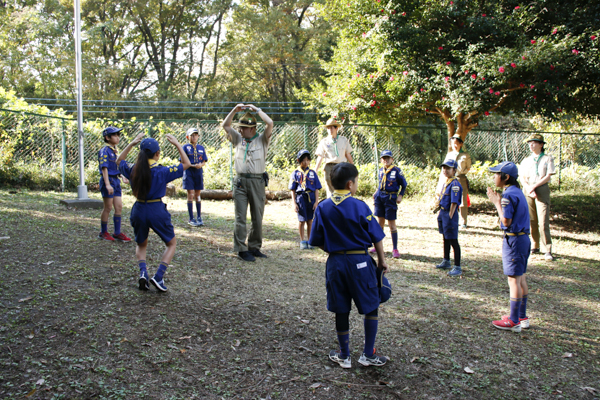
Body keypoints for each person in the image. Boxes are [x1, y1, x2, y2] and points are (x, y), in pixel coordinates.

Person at [308, 163, 390, 368]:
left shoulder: (323, 207)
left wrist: (333, 250)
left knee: (341, 308)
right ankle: (368, 354)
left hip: (335, 263)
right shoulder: (360, 205)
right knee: (371, 305)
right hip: (360, 261)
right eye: (356, 182)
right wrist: (382, 260)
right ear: (350, 183)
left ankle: (344, 355)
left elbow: (315, 239)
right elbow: (376, 236)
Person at [117, 134, 192, 292]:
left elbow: (119, 161)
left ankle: (143, 272)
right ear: (157, 154)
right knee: (171, 243)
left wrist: (131, 142)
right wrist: (178, 144)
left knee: (141, 243)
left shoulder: (133, 170)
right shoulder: (162, 171)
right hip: (156, 209)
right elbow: (187, 163)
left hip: (138, 209)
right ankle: (158, 276)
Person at [222, 104, 274, 262]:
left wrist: (257, 110)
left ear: (252, 129)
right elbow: (226, 125)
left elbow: (270, 123)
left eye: (244, 128)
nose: (240, 130)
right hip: (240, 182)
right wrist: (234, 110)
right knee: (240, 217)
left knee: (257, 217)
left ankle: (254, 246)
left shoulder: (262, 140)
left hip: (257, 182)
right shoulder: (238, 139)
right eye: (240, 127)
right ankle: (241, 249)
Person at [486, 161, 531, 332]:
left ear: (505, 177)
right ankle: (521, 316)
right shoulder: (516, 191)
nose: (494, 177)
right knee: (521, 279)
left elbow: (506, 221)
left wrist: (496, 202)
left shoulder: (507, 196)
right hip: (523, 240)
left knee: (513, 281)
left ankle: (513, 321)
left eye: (497, 174)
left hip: (514, 241)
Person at [519, 134, 556, 261]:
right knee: (531, 219)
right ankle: (535, 245)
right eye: (530, 143)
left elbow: (548, 176)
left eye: (535, 142)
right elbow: (522, 177)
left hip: (541, 188)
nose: (531, 145)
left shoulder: (547, 158)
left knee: (543, 220)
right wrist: (529, 188)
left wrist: (534, 186)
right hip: (528, 189)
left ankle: (547, 249)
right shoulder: (526, 160)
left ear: (541, 145)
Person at [369, 150, 407, 259]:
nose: (385, 160)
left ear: (392, 159)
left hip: (390, 198)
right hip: (380, 197)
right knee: (380, 223)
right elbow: (381, 183)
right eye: (383, 158)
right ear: (381, 160)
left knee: (391, 224)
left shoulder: (396, 171)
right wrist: (376, 193)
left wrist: (400, 196)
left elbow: (404, 184)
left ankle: (395, 248)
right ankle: (378, 246)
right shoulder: (381, 170)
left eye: (388, 158)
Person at [98, 126, 132, 243]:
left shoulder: (114, 151)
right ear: (107, 137)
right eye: (115, 135)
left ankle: (117, 232)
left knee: (119, 207)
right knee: (107, 207)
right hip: (109, 181)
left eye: (118, 135)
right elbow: (105, 168)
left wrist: (122, 176)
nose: (118, 138)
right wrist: (107, 184)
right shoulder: (105, 151)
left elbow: (116, 167)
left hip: (116, 181)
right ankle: (103, 232)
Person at [434, 159, 463, 277]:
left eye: (448, 168)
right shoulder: (447, 182)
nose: (445, 170)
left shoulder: (455, 185)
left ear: (454, 170)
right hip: (443, 213)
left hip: (449, 214)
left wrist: (450, 218)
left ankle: (457, 266)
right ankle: (446, 260)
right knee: (445, 237)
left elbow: (454, 203)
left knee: (453, 240)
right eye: (443, 168)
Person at [289, 149, 322, 249]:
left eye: (308, 159)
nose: (306, 162)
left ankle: (310, 240)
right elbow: (292, 189)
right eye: (303, 159)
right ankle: (302, 240)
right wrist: (294, 203)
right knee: (301, 220)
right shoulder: (295, 173)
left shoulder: (312, 173)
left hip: (310, 198)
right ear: (299, 160)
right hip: (300, 198)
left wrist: (316, 201)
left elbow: (316, 188)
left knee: (310, 220)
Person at [437, 134, 471, 228]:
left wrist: (461, 172)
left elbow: (468, 167)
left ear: (461, 143)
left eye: (456, 143)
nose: (454, 146)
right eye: (453, 144)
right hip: (449, 179)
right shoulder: (450, 154)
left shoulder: (465, 155)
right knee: (448, 198)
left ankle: (463, 222)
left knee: (463, 200)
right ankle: (449, 218)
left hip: (461, 178)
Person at [314, 118, 354, 198]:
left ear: (336, 128)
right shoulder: (324, 141)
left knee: (343, 188)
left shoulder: (343, 140)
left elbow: (348, 154)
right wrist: (316, 170)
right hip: (329, 168)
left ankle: (342, 207)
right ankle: (332, 207)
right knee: (331, 191)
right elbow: (320, 156)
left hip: (342, 167)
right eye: (328, 128)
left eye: (332, 127)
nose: (330, 130)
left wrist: (353, 167)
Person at [182, 127, 208, 227]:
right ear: (187, 136)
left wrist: (200, 165)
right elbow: (182, 161)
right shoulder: (185, 147)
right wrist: (192, 165)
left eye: (196, 135)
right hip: (189, 172)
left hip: (198, 172)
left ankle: (199, 216)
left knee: (197, 194)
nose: (194, 137)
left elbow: (204, 161)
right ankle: (191, 218)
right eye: (192, 135)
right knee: (191, 193)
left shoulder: (201, 148)